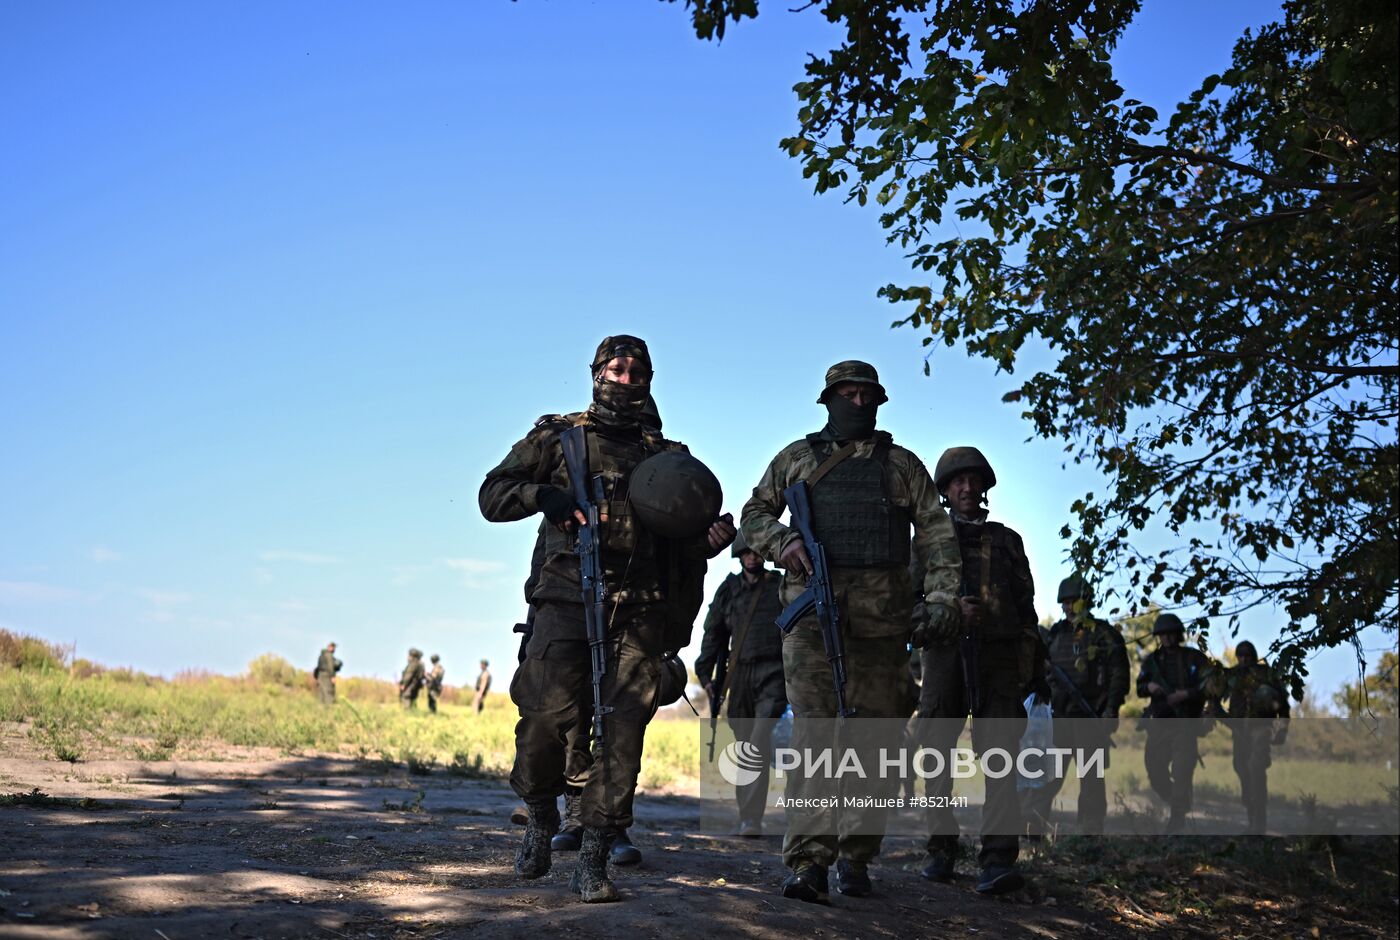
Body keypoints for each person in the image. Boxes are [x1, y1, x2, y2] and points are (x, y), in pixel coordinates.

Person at [479, 334, 733, 903]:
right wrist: (542, 497)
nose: (624, 379)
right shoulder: (558, 437)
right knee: (544, 718)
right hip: (566, 597)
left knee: (623, 735)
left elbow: (683, 541)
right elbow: (491, 496)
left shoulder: (667, 455)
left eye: (635, 371)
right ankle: (543, 816)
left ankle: (594, 856)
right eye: (615, 369)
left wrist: (709, 539)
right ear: (596, 372)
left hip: (639, 606)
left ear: (648, 379)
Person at [741, 360, 962, 904]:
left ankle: (857, 855)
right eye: (849, 394)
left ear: (879, 401)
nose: (858, 404)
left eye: (868, 396)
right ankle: (809, 862)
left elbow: (936, 534)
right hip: (812, 620)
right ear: (830, 399)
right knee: (817, 740)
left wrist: (940, 599)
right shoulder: (796, 458)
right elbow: (753, 514)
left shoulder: (902, 465)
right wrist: (782, 544)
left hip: (883, 626)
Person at [917, 447, 1043, 895]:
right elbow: (905, 603)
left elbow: (1027, 608)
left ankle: (997, 858)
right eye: (957, 482)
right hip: (945, 655)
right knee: (936, 755)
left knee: (1001, 759)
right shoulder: (928, 541)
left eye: (973, 480)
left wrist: (1033, 665)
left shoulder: (1007, 540)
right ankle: (941, 849)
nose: (967, 488)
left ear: (985, 486)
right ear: (945, 491)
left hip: (999, 658)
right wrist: (948, 610)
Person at [1021, 574, 1129, 836]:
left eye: (1074, 602)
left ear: (1086, 602)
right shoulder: (1055, 635)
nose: (1069, 607)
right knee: (1048, 776)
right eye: (1065, 602)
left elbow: (1119, 675)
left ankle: (1089, 833)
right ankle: (1031, 828)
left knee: (1091, 779)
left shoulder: (1103, 635)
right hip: (1058, 718)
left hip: (1090, 717)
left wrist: (1110, 710)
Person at [694, 531, 787, 837]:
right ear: (739, 556)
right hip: (740, 675)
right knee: (745, 745)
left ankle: (752, 819)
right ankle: (748, 815)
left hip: (774, 673)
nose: (752, 557)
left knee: (759, 738)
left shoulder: (780, 586)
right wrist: (707, 675)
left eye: (757, 552)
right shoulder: (729, 590)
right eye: (746, 552)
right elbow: (714, 634)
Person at [1136, 613, 1212, 833]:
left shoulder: (1194, 658)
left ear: (1178, 634)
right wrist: (1149, 687)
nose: (1167, 638)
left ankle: (1177, 817)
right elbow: (1140, 687)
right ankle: (1178, 801)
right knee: (1155, 771)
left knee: (1182, 770)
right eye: (1163, 634)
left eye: (1170, 634)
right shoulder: (1153, 661)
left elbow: (1210, 685)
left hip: (1185, 724)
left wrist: (1186, 695)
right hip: (1160, 723)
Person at [1212, 640, 1290, 834]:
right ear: (1237, 657)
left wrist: (1282, 729)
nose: (1245, 659)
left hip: (1261, 728)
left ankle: (1259, 824)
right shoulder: (1232, 676)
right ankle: (1252, 817)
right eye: (1241, 656)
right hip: (1239, 730)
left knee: (1256, 770)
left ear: (1254, 656)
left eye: (1248, 655)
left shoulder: (1266, 674)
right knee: (1242, 769)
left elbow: (1283, 704)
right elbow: (1215, 698)